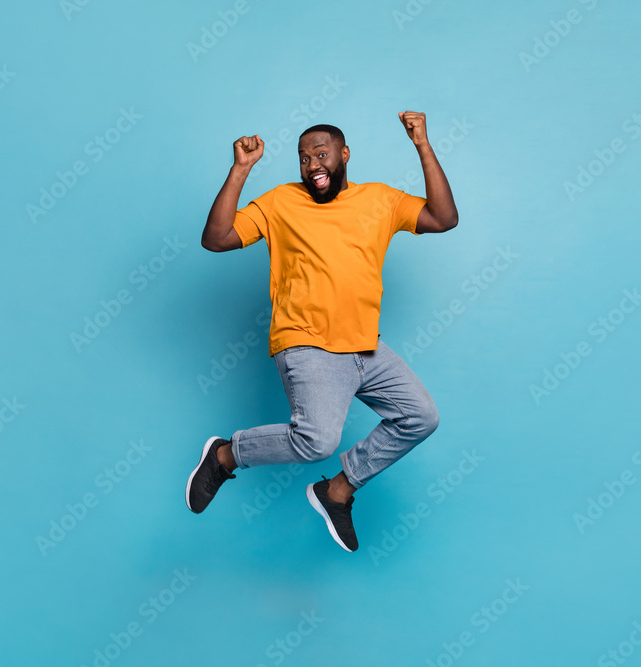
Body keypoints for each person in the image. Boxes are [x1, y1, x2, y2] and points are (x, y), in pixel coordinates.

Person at [187, 112, 459, 552]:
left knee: (421, 417)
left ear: (343, 154)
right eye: (303, 158)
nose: (312, 164)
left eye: (321, 153)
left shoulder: (381, 200)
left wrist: (422, 145)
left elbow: (444, 218)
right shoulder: (279, 202)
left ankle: (337, 490)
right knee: (316, 441)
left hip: (365, 346)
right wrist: (241, 169)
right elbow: (216, 238)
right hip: (307, 342)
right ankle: (224, 455)